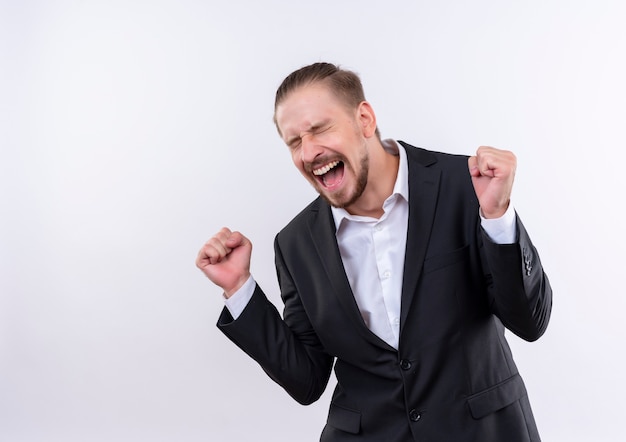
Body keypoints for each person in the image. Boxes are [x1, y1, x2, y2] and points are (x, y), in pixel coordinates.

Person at [196, 62, 552, 441]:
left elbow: (530, 322)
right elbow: (307, 381)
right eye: (294, 141)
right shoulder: (295, 243)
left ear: (364, 119)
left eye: (319, 129)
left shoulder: (466, 185)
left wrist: (497, 217)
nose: (310, 151)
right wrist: (240, 290)